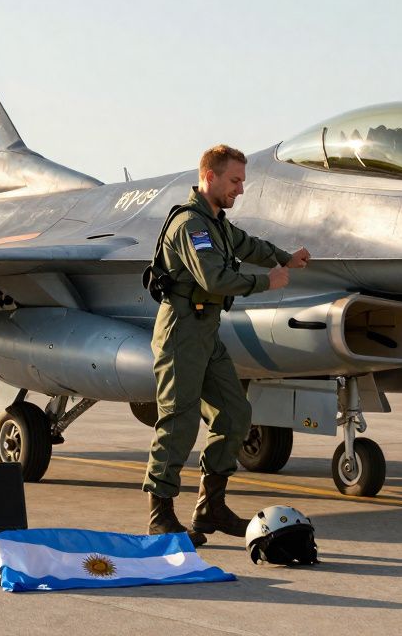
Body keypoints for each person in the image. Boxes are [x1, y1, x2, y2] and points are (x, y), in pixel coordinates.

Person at [144, 144, 310, 546]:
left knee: (235, 414)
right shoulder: (191, 225)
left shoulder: (215, 223)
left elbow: (246, 244)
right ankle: (160, 515)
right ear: (210, 177)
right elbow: (214, 279)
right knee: (178, 421)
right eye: (234, 180)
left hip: (205, 332)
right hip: (181, 332)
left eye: (242, 181)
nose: (240, 189)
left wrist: (286, 258)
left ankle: (210, 508)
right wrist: (266, 282)